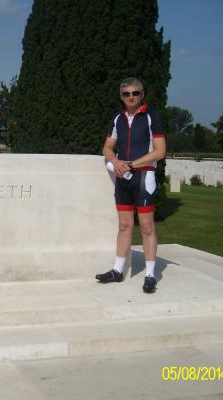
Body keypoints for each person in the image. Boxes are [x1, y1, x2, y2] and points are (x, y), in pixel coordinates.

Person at [96, 77, 166, 293]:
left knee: (146, 226)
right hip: (123, 179)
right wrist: (115, 162)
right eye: (126, 94)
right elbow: (107, 148)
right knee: (125, 226)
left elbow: (160, 151)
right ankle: (118, 271)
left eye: (135, 93)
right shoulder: (118, 118)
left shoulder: (151, 116)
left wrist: (131, 164)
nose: (131, 97)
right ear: (121, 96)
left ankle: (151, 275)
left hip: (144, 177)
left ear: (142, 94)